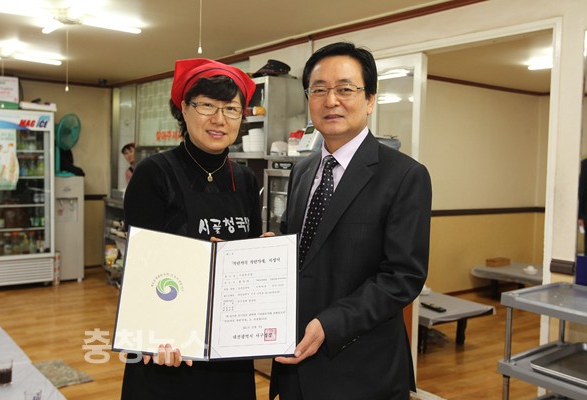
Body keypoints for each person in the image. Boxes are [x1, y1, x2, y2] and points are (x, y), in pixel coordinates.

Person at [270, 42, 432, 399]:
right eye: (319, 90)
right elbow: (303, 250)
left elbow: (403, 277)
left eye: (345, 89)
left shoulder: (404, 176)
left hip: (362, 372)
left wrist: (331, 323)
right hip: (295, 365)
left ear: (370, 99)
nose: (331, 101)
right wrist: (270, 253)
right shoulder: (302, 171)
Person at [121, 58, 261, 400]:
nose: (219, 119)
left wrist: (261, 257)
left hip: (229, 347)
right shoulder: (154, 173)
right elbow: (141, 269)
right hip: (170, 346)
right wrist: (154, 333)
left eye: (231, 109)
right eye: (207, 105)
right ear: (183, 109)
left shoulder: (245, 180)